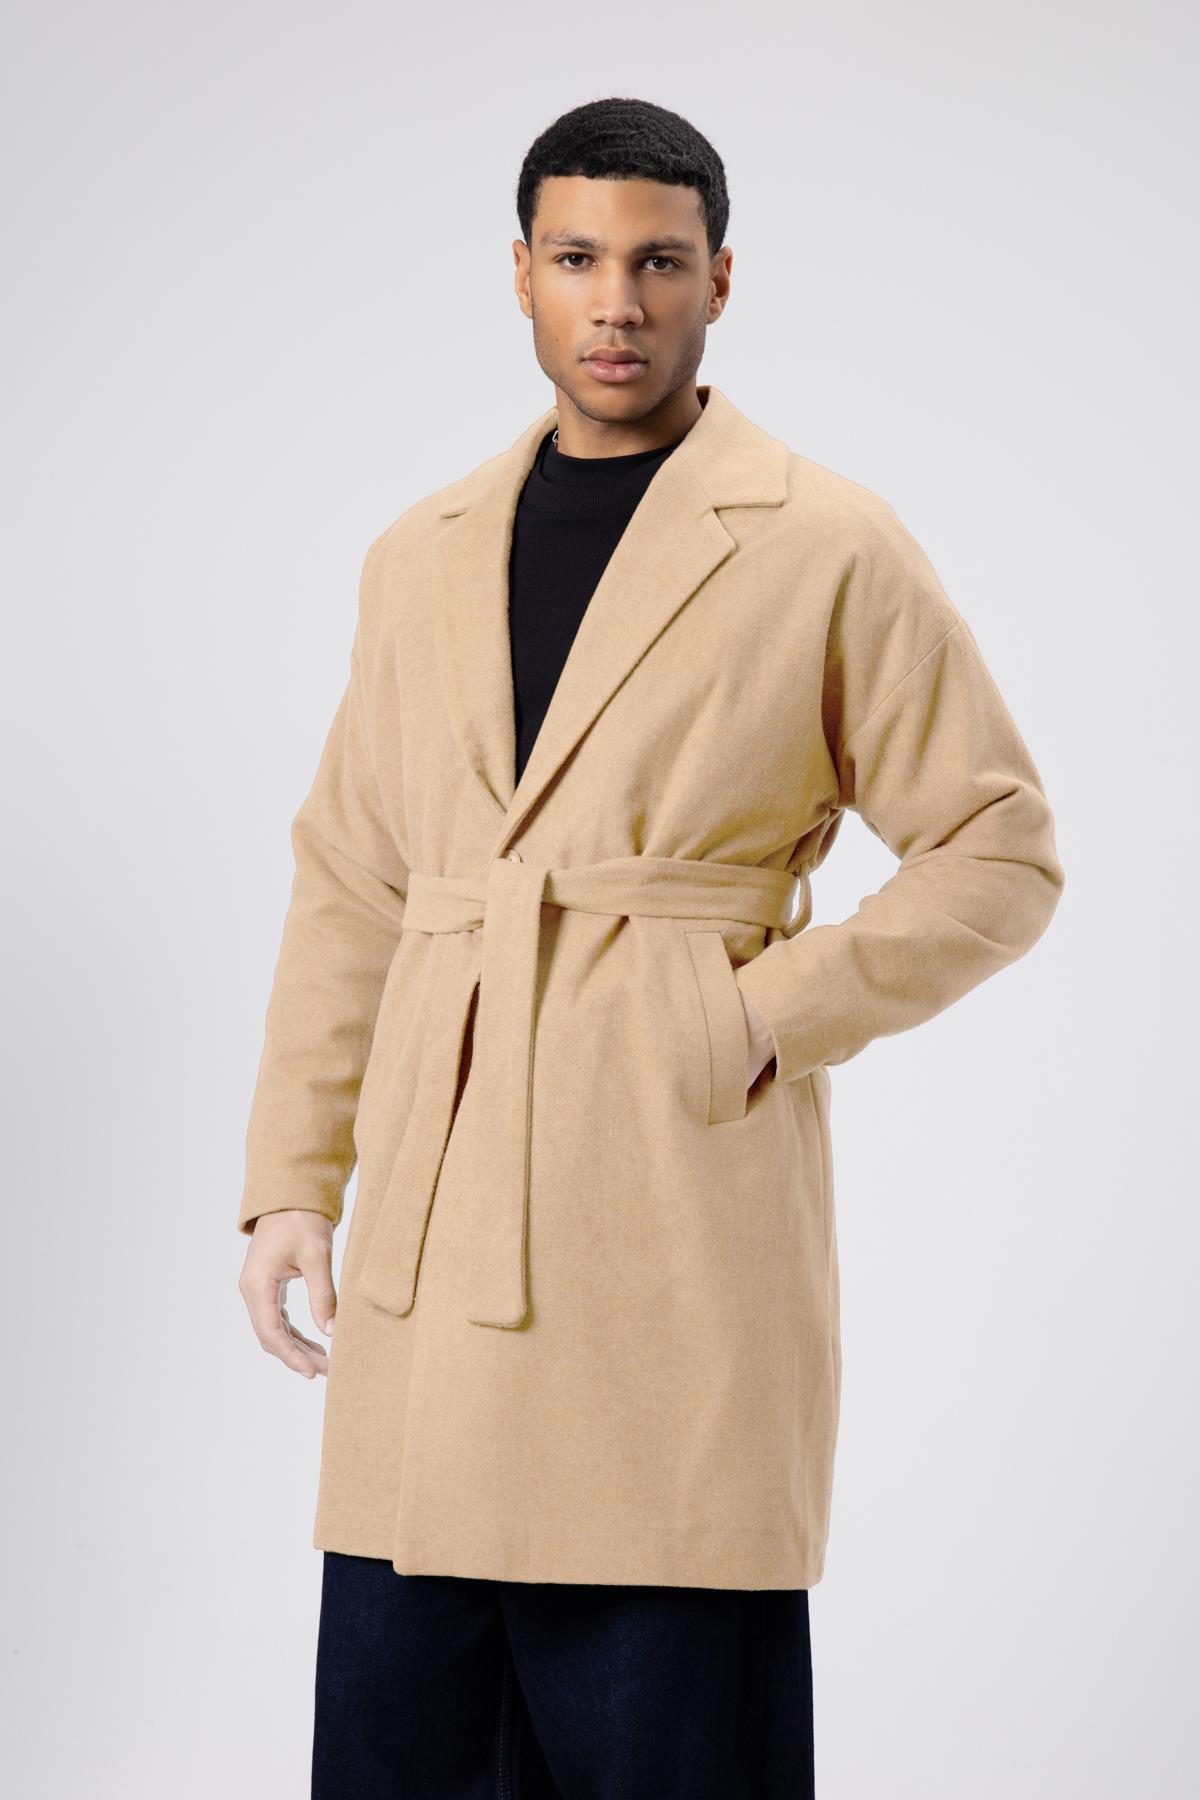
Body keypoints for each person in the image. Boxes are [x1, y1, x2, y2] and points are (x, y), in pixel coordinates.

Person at [236, 96, 1065, 1799]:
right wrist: (290, 1183)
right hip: (430, 1274)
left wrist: (751, 1013)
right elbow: (353, 881)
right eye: (578, 259)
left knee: (673, 1737)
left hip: (666, 1237)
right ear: (520, 276)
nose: (616, 302)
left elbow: (1000, 848)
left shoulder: (823, 542)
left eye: (659, 263)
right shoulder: (420, 556)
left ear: (720, 281)